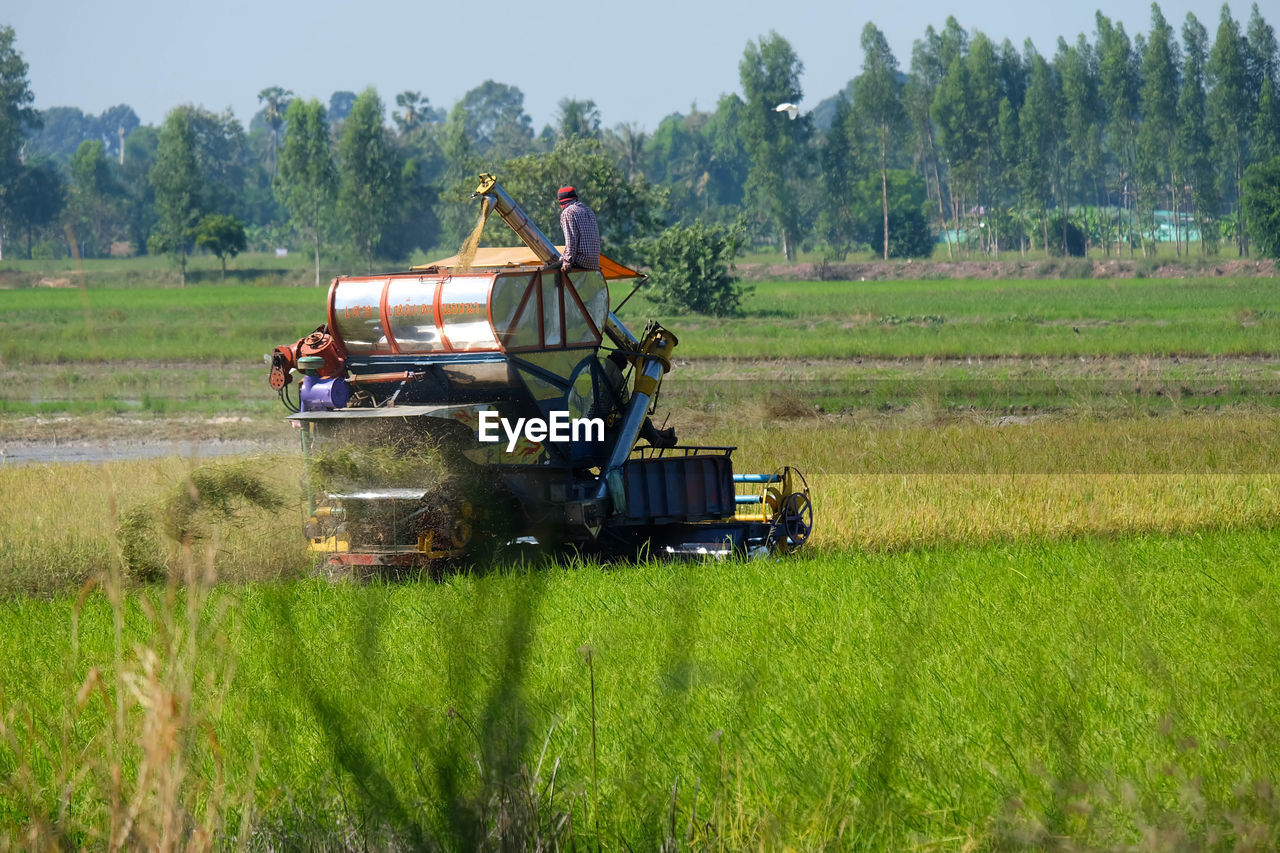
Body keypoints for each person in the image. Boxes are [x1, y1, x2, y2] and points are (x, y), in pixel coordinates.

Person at [557, 186, 601, 273]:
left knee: (549, 271)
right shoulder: (588, 210)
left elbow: (571, 240)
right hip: (594, 261)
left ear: (562, 201)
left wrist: (567, 261)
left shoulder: (568, 212)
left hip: (581, 260)